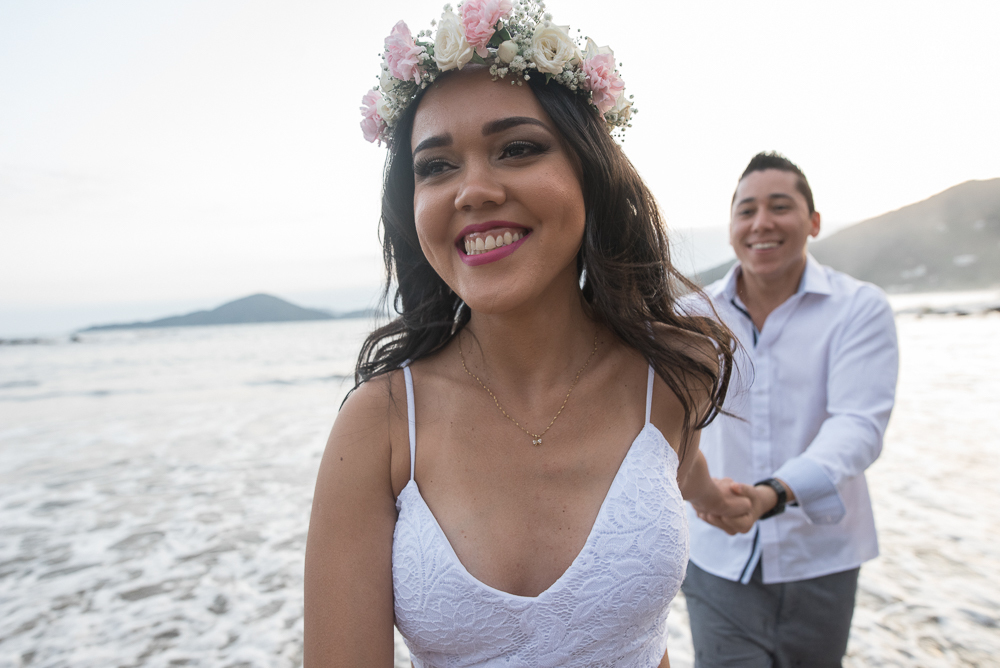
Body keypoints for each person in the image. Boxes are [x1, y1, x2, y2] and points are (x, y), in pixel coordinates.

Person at [303, 2, 753, 665]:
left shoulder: (672, 378)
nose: (473, 191)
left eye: (518, 148)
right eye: (436, 166)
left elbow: (640, 633)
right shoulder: (383, 424)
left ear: (590, 173)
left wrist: (715, 497)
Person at [683, 152, 900, 667]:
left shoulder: (859, 308)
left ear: (814, 222)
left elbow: (858, 426)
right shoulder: (690, 316)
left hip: (822, 557)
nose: (762, 223)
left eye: (780, 207)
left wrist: (771, 495)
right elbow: (665, 424)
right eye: (746, 210)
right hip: (716, 558)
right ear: (732, 226)